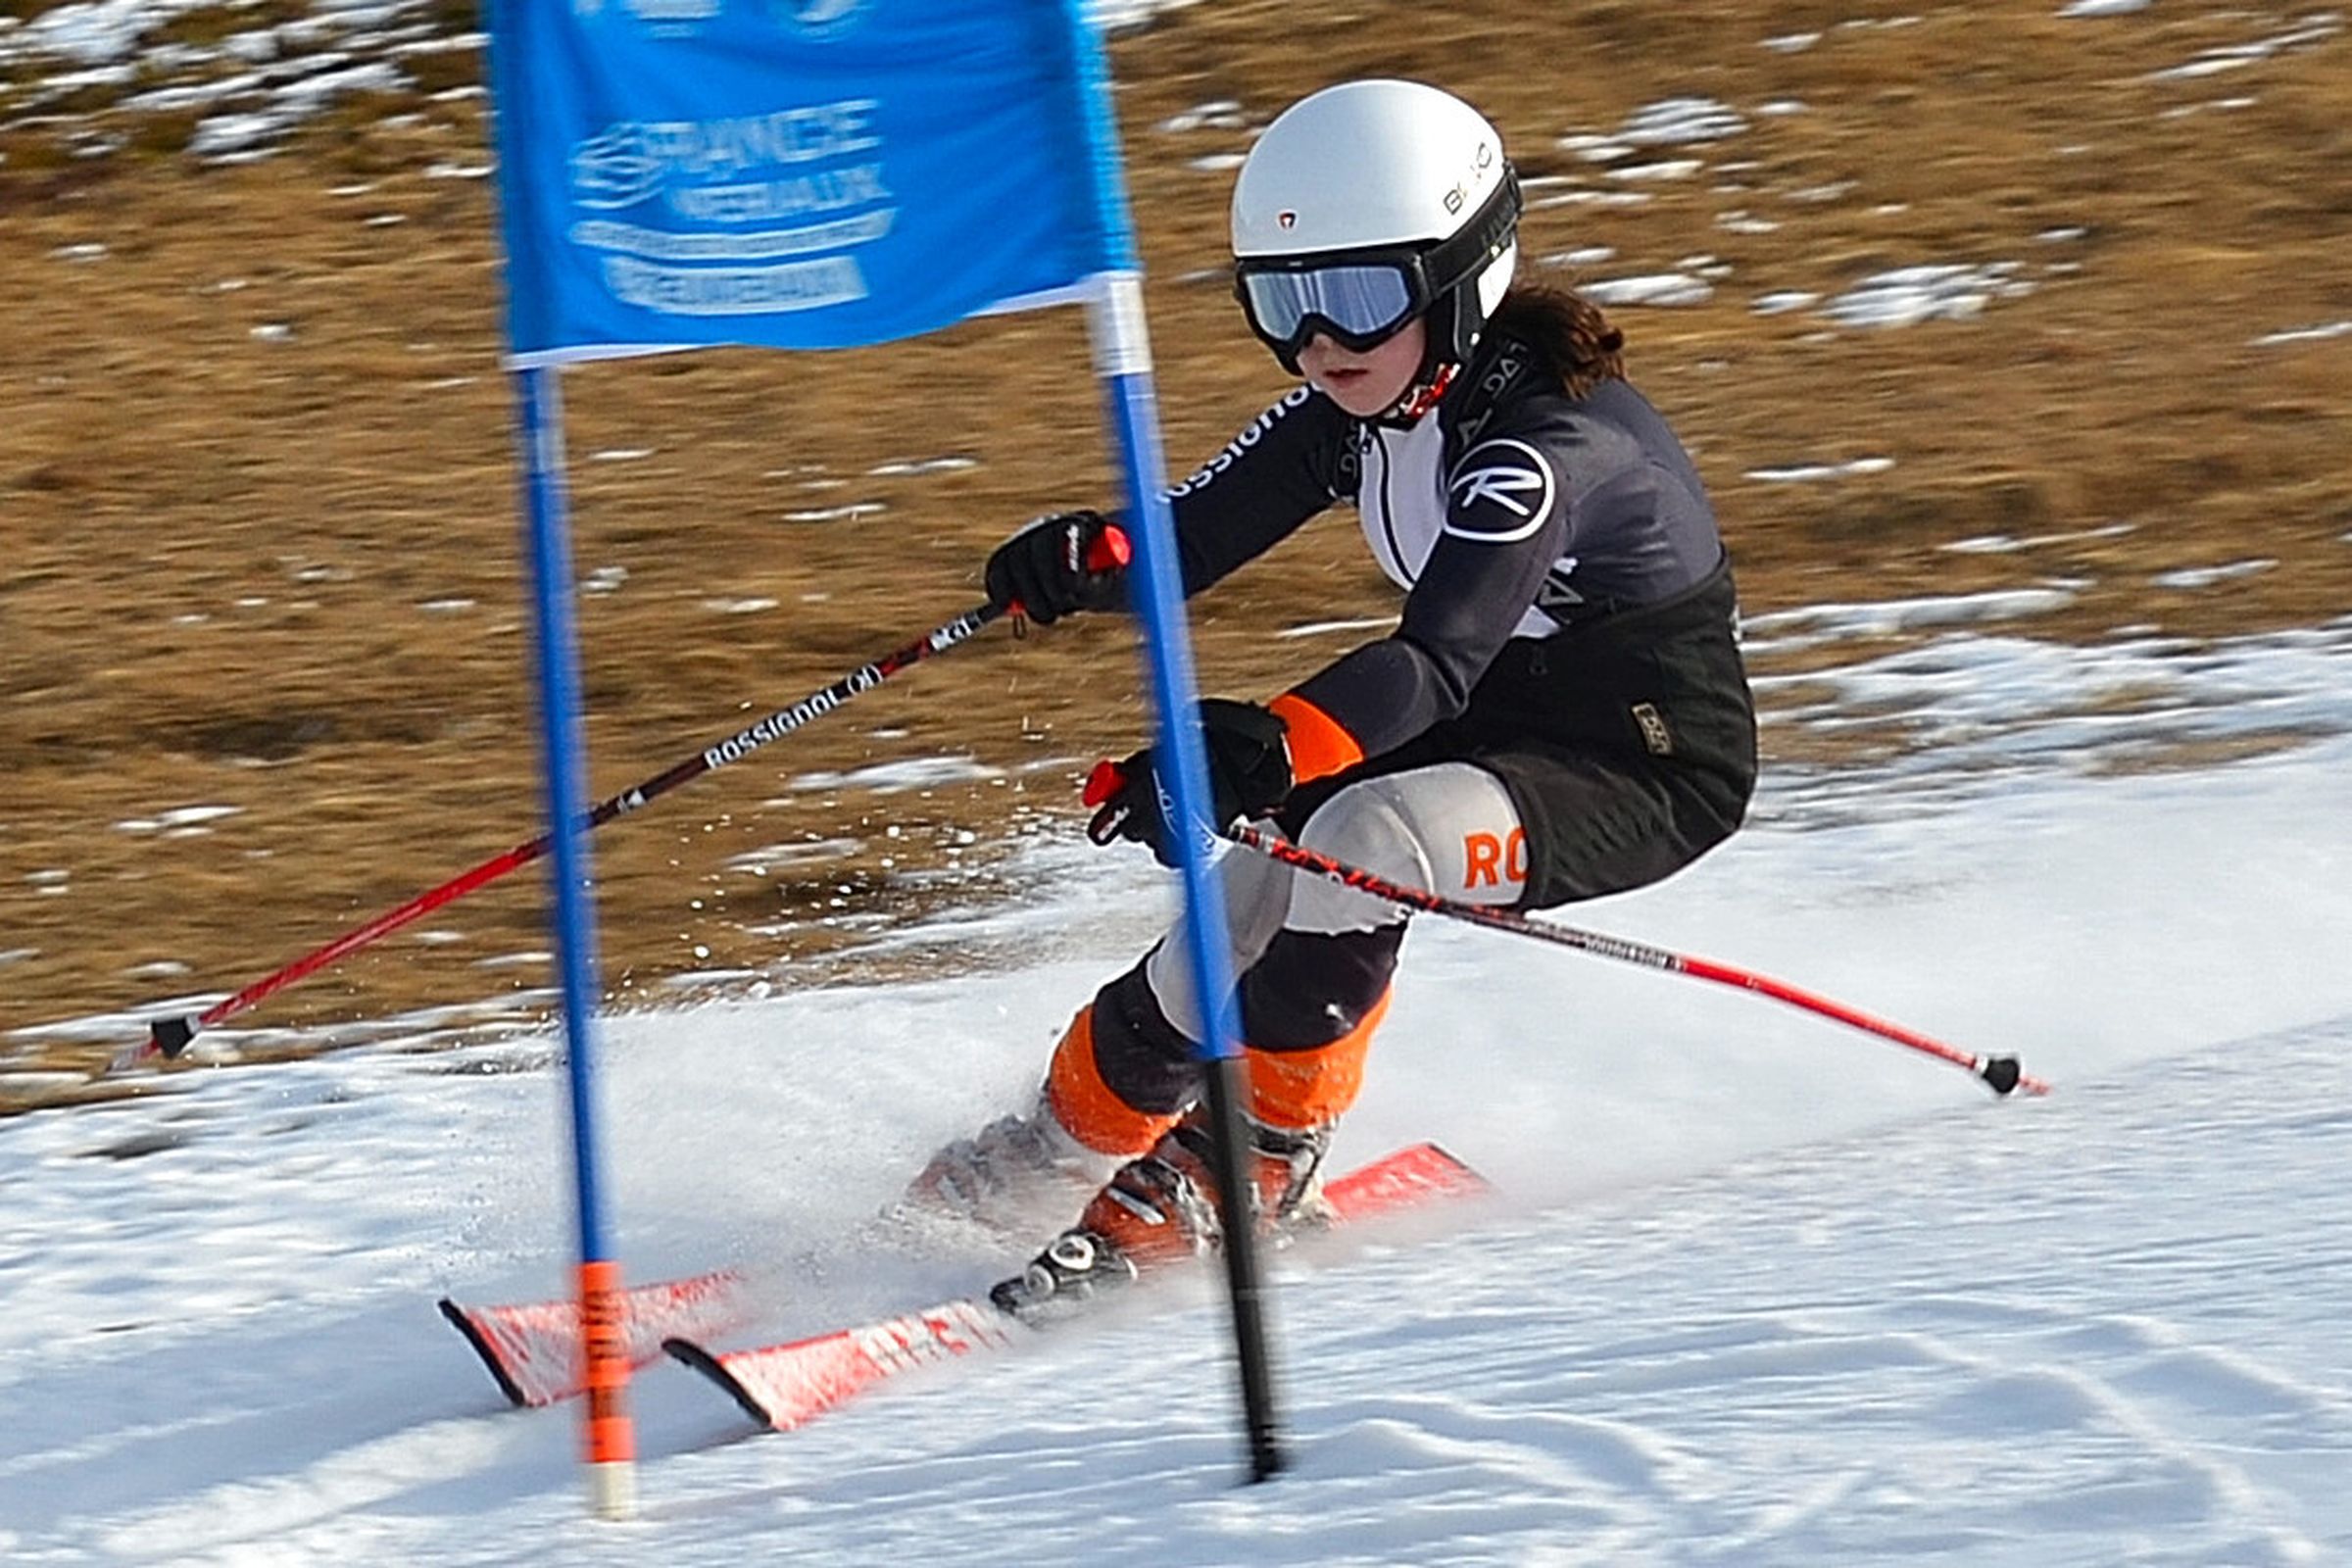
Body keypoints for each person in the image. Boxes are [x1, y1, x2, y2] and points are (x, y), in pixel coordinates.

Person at [912, 79, 1758, 1318]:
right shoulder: (1370, 404)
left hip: (1642, 761)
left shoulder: (1543, 448)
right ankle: (1059, 1139)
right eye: (1282, 302)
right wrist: (1091, 559)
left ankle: (1255, 1160)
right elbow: (1188, 541)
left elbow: (1436, 661)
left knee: (1361, 838)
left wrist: (1259, 745)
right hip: (1496, 721)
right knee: (1259, 872)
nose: (1318, 342)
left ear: (1459, 278)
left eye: (1358, 296)